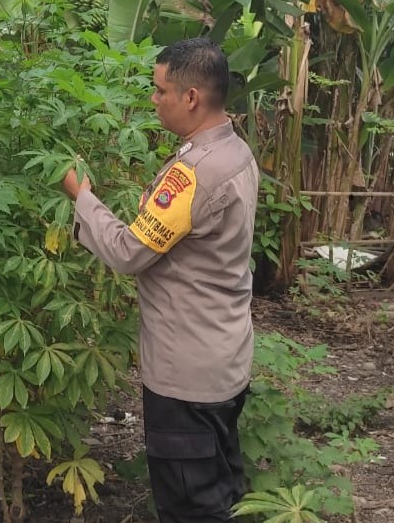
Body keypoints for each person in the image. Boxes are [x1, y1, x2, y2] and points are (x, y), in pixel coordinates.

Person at [62, 38, 259, 522]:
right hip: (225, 358)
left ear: (191, 97)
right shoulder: (237, 153)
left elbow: (129, 252)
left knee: (192, 506)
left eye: (159, 90)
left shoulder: (194, 174)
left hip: (185, 376)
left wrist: (82, 197)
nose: (153, 100)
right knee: (222, 490)